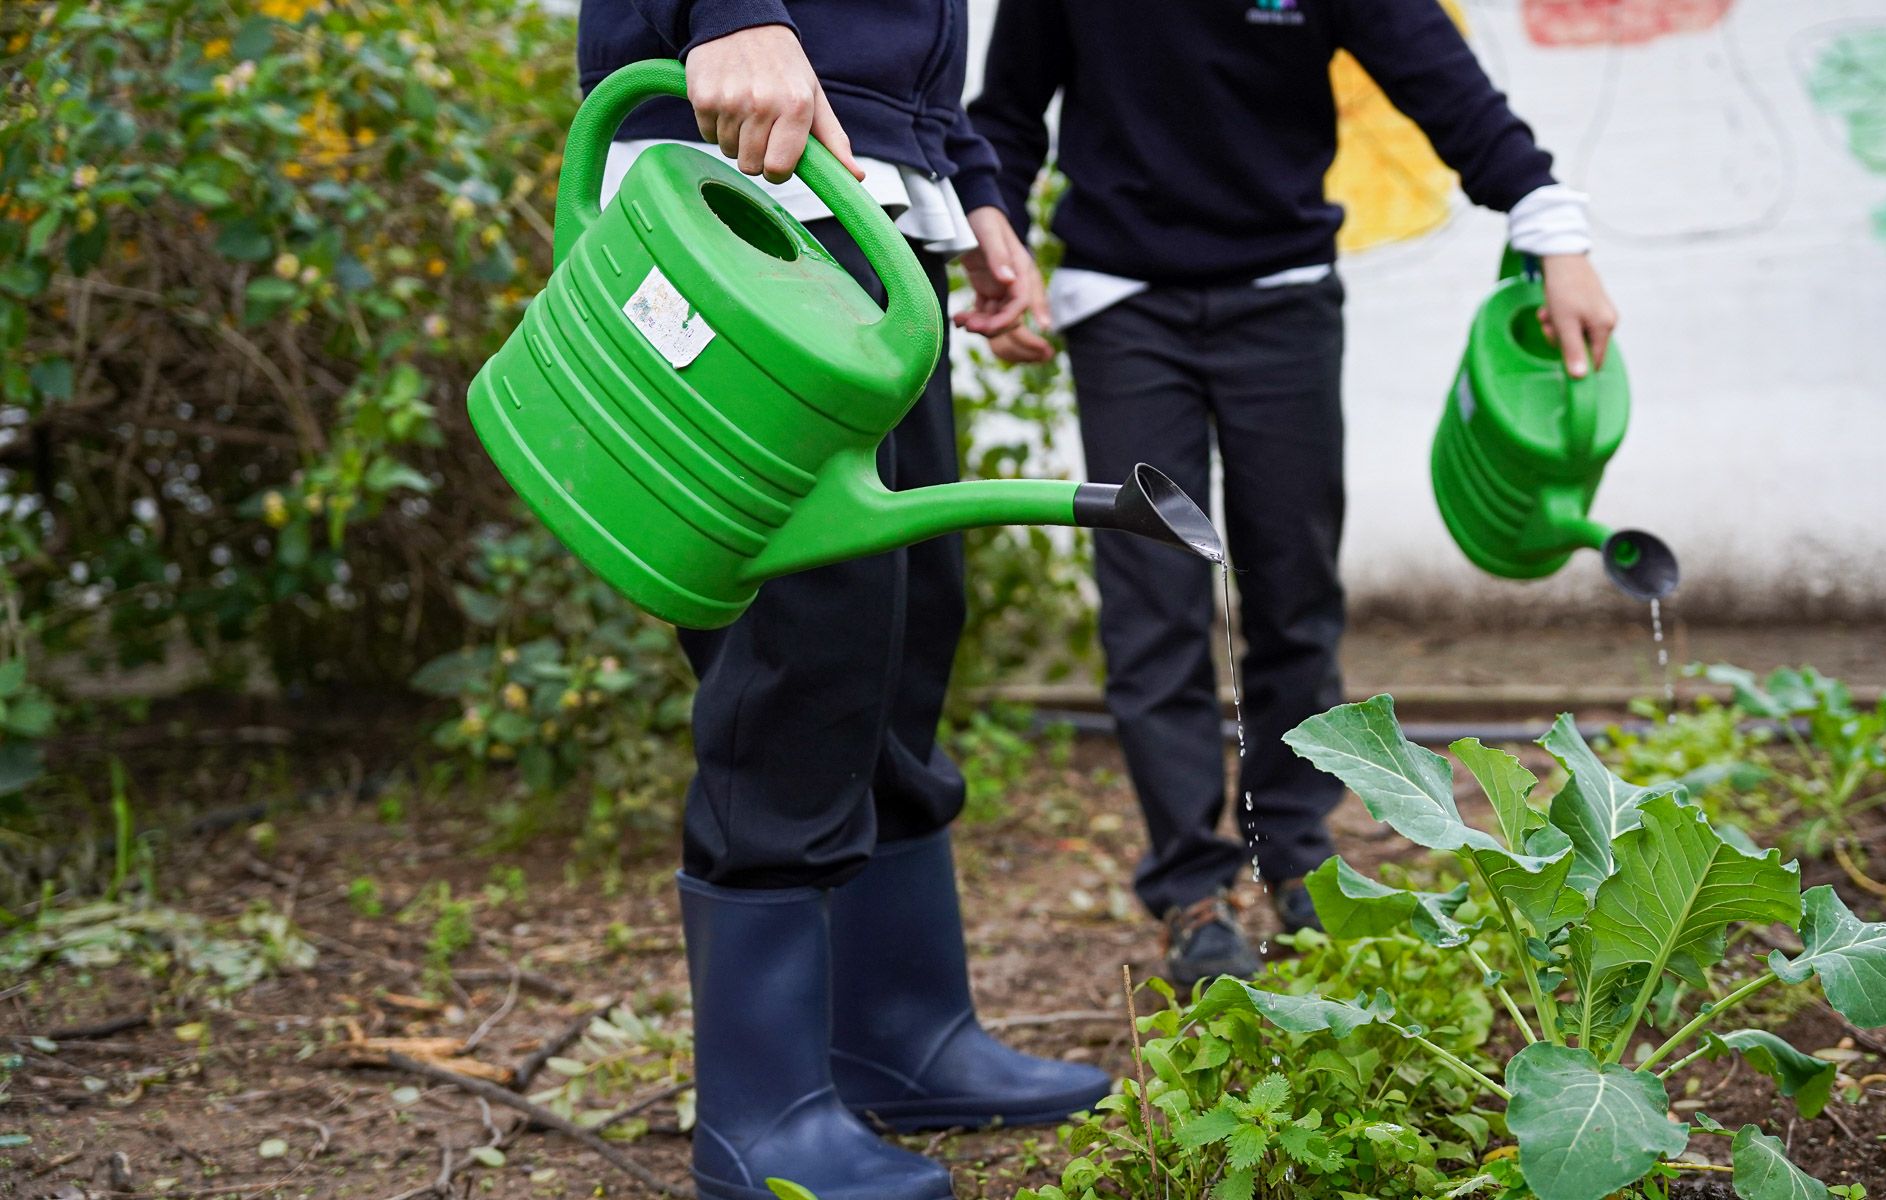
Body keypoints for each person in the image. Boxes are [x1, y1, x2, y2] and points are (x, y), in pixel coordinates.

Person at [969, 0, 1620, 987]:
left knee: (1292, 585)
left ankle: (1295, 852)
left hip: (1283, 298)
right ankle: (1191, 890)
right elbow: (1009, 109)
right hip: (1120, 305)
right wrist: (998, 240)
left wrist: (1552, 227)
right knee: (1155, 600)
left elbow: (1437, 78)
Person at [575, 3, 1107, 1198]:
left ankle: (900, 1035)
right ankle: (759, 1118)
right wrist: (730, 12)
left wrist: (963, 182)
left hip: (871, 185)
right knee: (795, 649)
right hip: (743, 175)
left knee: (904, 624)